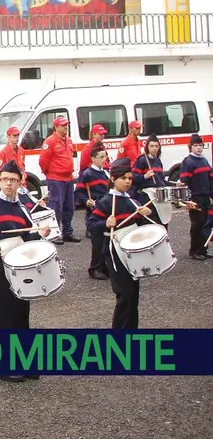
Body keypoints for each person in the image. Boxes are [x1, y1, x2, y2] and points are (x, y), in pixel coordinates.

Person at [0, 160, 50, 383]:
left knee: (21, 314)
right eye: (5, 179)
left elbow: (29, 236)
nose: (9, 184)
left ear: (20, 183)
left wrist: (40, 232)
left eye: (14, 180)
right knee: (3, 315)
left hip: (20, 265)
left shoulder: (22, 207)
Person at [86, 157, 158, 329]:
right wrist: (105, 223)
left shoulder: (133, 202)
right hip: (115, 255)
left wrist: (149, 213)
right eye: (123, 178)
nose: (127, 182)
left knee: (133, 295)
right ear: (112, 179)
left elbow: (146, 227)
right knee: (124, 295)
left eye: (130, 178)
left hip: (133, 254)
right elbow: (91, 225)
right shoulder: (105, 202)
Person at [38, 116, 80, 243]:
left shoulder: (68, 140)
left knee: (69, 207)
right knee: (56, 207)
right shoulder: (50, 141)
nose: (66, 127)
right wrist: (49, 173)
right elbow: (43, 161)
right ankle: (54, 233)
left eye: (66, 124)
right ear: (56, 127)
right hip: (56, 179)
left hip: (68, 178)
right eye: (63, 125)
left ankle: (67, 232)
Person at [75, 145, 111, 280]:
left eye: (105, 156)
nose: (104, 159)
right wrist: (86, 201)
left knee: (107, 240)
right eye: (101, 157)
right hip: (95, 212)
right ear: (93, 159)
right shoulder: (87, 174)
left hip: (105, 209)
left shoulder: (106, 173)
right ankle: (94, 268)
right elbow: (78, 192)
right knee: (97, 243)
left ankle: (104, 267)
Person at [178, 134, 212, 260]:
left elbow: (210, 179)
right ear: (190, 147)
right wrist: (187, 200)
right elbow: (184, 182)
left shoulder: (204, 160)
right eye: (195, 145)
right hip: (195, 198)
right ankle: (194, 250)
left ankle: (203, 249)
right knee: (197, 225)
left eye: (200, 145)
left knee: (206, 224)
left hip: (205, 197)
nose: (198, 148)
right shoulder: (188, 162)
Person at [130, 134, 166, 201]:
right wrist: (144, 176)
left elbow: (162, 181)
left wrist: (175, 184)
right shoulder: (142, 160)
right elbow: (133, 177)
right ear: (147, 147)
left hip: (158, 194)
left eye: (156, 146)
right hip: (146, 196)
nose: (154, 148)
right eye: (152, 146)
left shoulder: (158, 161)